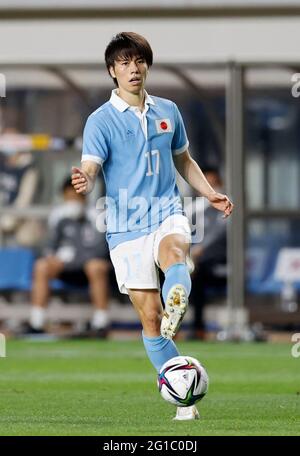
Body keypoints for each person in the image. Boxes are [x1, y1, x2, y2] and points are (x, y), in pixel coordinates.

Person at [71, 32, 234, 420]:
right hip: (125, 227)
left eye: (139, 61)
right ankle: (184, 399)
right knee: (150, 318)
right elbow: (91, 167)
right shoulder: (100, 120)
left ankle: (178, 292)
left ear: (146, 66)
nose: (133, 68)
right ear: (113, 71)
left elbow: (185, 160)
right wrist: (86, 180)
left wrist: (209, 193)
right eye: (124, 63)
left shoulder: (169, 110)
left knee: (175, 252)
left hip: (166, 212)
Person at [25, 177, 111, 338]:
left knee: (96, 266)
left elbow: (102, 249)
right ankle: (36, 322)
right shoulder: (58, 216)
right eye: (69, 196)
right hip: (64, 268)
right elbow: (46, 246)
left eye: (76, 196)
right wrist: (51, 257)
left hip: (87, 267)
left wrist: (74, 258)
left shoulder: (96, 215)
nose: (73, 201)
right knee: (41, 266)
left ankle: (101, 323)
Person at [189, 166, 227, 340]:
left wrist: (200, 250)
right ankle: (167, 328)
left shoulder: (224, 204)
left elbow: (219, 234)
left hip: (218, 260)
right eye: (206, 184)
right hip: (193, 259)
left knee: (197, 275)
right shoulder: (193, 208)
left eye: (213, 183)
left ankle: (198, 328)